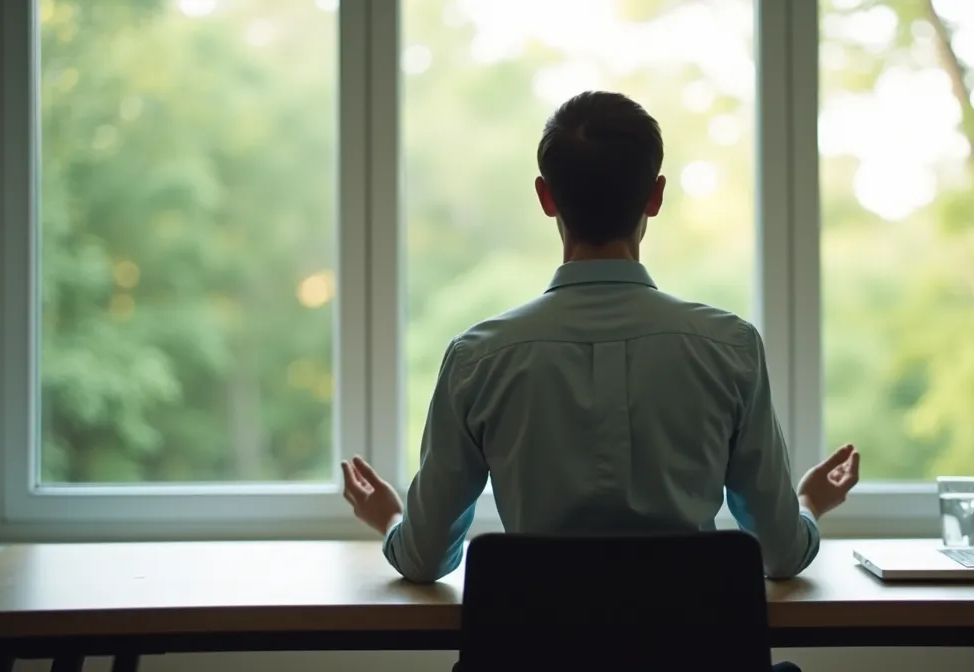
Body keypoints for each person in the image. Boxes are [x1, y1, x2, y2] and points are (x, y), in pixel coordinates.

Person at [340, 91, 861, 667]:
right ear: (656, 196)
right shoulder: (729, 348)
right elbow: (782, 555)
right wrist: (809, 502)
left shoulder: (478, 358)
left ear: (545, 196)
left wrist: (389, 516)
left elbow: (423, 558)